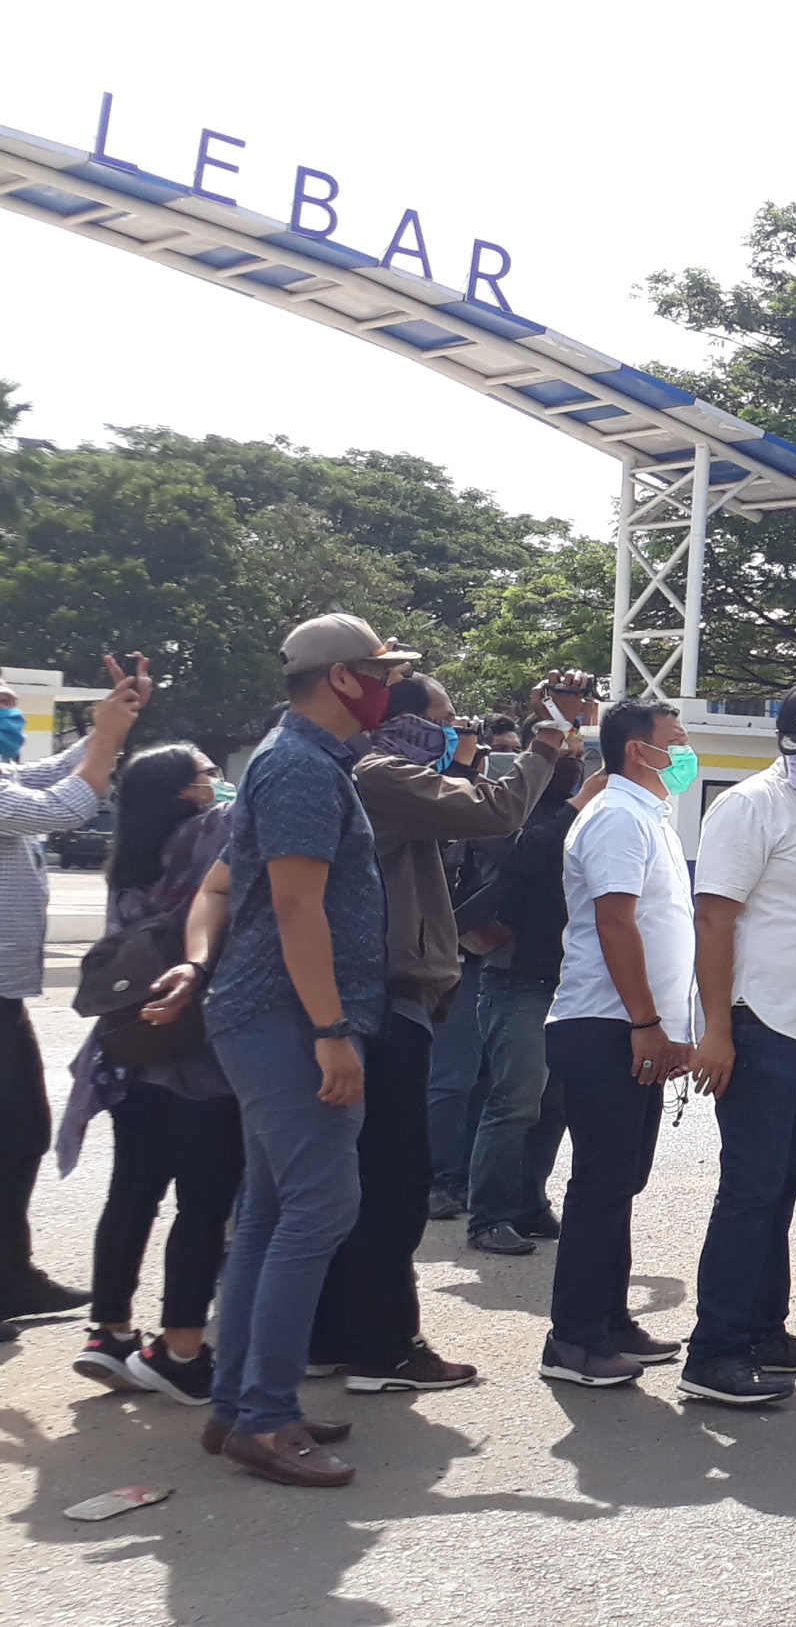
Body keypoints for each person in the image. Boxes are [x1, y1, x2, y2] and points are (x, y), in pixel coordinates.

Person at [188, 614, 409, 1488]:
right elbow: (295, 907)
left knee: (272, 1213)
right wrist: (330, 1030)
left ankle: (241, 1403)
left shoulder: (302, 760)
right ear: (342, 678)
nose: (389, 687)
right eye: (379, 673)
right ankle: (266, 1418)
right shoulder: (301, 767)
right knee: (318, 1207)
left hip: (273, 1016)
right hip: (287, 1019)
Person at [312, 672, 563, 1395]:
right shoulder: (382, 775)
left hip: (385, 991)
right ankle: (383, 1346)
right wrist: (548, 742)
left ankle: (332, 1336)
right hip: (385, 997)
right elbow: (497, 812)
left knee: (360, 1182)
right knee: (394, 1186)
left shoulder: (369, 772)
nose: (459, 732)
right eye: (448, 719)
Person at [679, 681, 796, 1404]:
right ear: (780, 743)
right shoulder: (749, 806)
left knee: (785, 1185)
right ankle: (714, 1352)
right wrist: (716, 1029)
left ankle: (764, 1330)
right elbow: (713, 918)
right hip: (758, 1020)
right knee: (751, 1188)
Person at [62, 741, 237, 1403]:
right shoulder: (209, 834)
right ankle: (182, 1348)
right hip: (197, 1051)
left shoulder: (128, 859)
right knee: (204, 1202)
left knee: (132, 1191)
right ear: (187, 792)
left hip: (130, 1052)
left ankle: (108, 1332)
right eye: (210, 773)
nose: (219, 782)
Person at [539, 700, 697, 1391]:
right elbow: (614, 922)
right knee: (600, 1184)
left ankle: (609, 1319)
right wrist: (645, 1021)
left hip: (634, 1024)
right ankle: (573, 1339)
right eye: (676, 740)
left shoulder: (648, 815)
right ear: (639, 750)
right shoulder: (615, 817)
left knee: (621, 1182)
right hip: (605, 1024)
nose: (685, 751)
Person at [0, 658, 152, 1331]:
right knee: (12, 1132)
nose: (11, 715)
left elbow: (45, 776)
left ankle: (10, 1275)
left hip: (6, 993)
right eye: (2, 705)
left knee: (21, 1133)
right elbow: (62, 807)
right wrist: (109, 739)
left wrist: (108, 724)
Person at [457, 690, 599, 1255]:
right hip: (516, 977)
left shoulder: (582, 809)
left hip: (569, 980)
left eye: (579, 754)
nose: (573, 763)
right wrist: (576, 805)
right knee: (514, 1101)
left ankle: (528, 1201)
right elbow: (524, 856)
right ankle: (488, 1215)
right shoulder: (500, 804)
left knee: (553, 1103)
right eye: (563, 752)